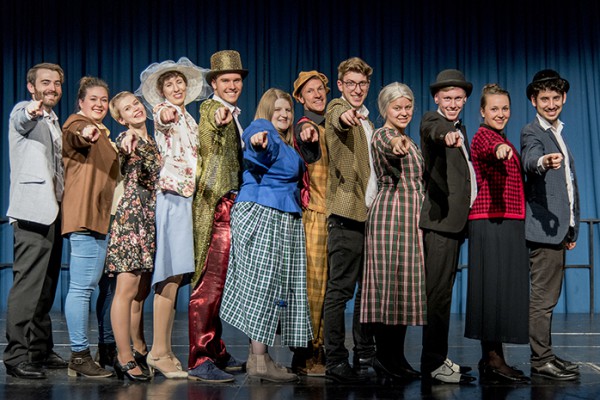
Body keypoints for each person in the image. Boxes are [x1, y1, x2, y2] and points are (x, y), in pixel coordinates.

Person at [220, 88, 318, 382]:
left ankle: (259, 357)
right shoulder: (262, 129)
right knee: (263, 285)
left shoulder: (288, 144)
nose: (285, 115)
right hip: (264, 211)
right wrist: (257, 143)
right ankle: (260, 360)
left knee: (272, 287)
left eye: (288, 110)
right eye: (278, 110)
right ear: (266, 112)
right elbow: (257, 148)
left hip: (281, 213)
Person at [136, 57, 211, 379]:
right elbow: (163, 119)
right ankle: (159, 351)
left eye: (179, 83)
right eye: (169, 84)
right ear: (162, 92)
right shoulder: (166, 112)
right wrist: (165, 111)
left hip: (186, 198)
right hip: (171, 197)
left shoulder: (189, 117)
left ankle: (161, 350)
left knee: (177, 275)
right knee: (169, 274)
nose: (177, 88)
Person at [4, 63, 68, 379]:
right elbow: (22, 118)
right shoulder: (24, 112)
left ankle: (39, 350)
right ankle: (16, 356)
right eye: (45, 83)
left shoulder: (54, 121)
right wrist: (32, 110)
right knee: (28, 286)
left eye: (56, 83)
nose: (52, 88)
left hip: (53, 212)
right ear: (32, 87)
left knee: (46, 287)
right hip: (31, 212)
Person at [464, 84, 530, 384]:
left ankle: (493, 357)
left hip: (508, 220)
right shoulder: (484, 138)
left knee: (501, 291)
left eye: (505, 108)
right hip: (491, 220)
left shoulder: (500, 136)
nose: (501, 114)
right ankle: (492, 358)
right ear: (482, 111)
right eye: (494, 108)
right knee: (492, 290)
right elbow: (488, 152)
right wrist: (499, 149)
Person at [188, 50, 246, 383]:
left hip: (229, 205)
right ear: (214, 82)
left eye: (236, 80)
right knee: (207, 286)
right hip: (214, 207)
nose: (233, 85)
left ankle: (215, 347)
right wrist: (219, 123)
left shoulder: (233, 112)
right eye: (226, 80)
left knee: (219, 286)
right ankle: (199, 358)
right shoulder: (213, 109)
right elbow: (210, 132)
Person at [361, 82, 425, 381]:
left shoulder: (405, 136)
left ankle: (396, 357)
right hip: (392, 214)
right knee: (390, 286)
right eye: (397, 107)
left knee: (403, 288)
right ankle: (385, 357)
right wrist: (397, 145)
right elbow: (389, 146)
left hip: (409, 215)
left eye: (407, 107)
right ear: (385, 109)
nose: (403, 112)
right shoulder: (386, 135)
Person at [521, 69, 580, 381]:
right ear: (534, 100)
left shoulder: (559, 132)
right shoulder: (533, 133)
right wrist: (543, 162)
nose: (551, 103)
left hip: (559, 230)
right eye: (544, 99)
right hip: (543, 231)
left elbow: (568, 186)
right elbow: (531, 160)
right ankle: (540, 359)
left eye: (555, 98)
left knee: (549, 299)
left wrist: (571, 228)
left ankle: (547, 355)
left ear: (564, 98)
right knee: (543, 300)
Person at [419, 69, 477, 384]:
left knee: (444, 293)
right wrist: (447, 136)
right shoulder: (434, 121)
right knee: (437, 295)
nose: (453, 103)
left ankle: (438, 357)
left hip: (456, 223)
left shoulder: (462, 127)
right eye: (447, 98)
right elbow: (431, 131)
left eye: (458, 98)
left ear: (465, 99)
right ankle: (432, 363)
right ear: (437, 99)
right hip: (440, 222)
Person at [323, 57, 377, 383]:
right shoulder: (339, 109)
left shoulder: (370, 123)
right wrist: (344, 115)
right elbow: (336, 118)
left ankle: (364, 356)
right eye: (351, 84)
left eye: (362, 84)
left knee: (367, 293)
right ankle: (335, 360)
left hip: (369, 216)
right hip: (345, 214)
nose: (357, 90)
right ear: (341, 85)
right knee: (340, 291)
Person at [62, 76, 119, 378]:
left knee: (106, 287)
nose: (99, 105)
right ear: (81, 102)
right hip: (84, 216)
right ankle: (78, 355)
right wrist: (86, 130)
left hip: (101, 217)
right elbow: (76, 134)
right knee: (81, 288)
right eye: (93, 99)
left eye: (103, 100)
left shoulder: (106, 134)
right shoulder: (76, 123)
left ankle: (105, 348)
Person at [104, 91, 162, 381]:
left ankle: (139, 347)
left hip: (151, 219)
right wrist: (127, 142)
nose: (135, 109)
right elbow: (123, 148)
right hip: (131, 220)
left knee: (141, 292)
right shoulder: (126, 139)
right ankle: (123, 356)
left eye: (136, 104)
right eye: (128, 109)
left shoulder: (156, 139)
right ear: (120, 118)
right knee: (126, 291)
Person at [289, 70, 330, 376]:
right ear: (300, 98)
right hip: (315, 214)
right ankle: (307, 354)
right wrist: (309, 137)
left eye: (320, 89)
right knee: (313, 286)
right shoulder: (307, 126)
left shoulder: (329, 124)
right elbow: (308, 144)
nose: (318, 94)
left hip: (333, 214)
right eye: (310, 91)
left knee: (328, 287)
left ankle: (322, 348)